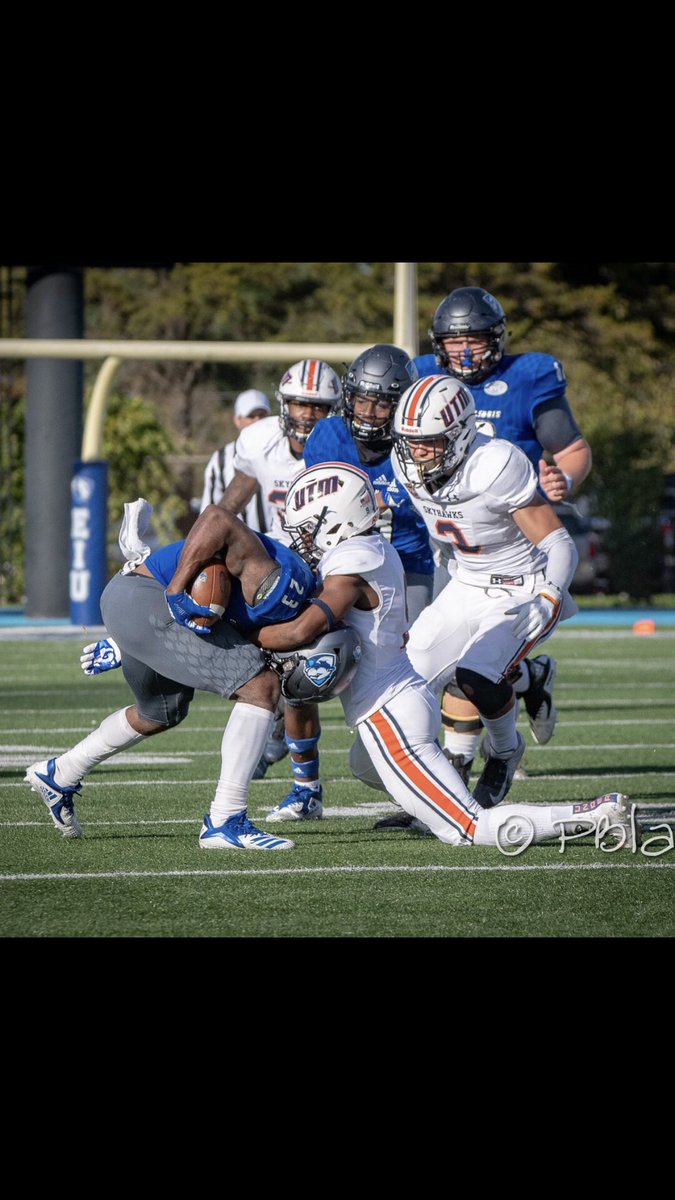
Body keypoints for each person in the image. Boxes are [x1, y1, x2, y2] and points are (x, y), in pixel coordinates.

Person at [252, 461, 631, 848]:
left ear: (337, 521)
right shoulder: (364, 547)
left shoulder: (353, 562)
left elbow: (304, 630)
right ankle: (437, 795)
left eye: (309, 527)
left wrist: (250, 632)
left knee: (472, 830)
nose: (303, 538)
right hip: (402, 696)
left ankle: (595, 815)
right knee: (362, 766)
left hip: (390, 716)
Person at [374, 286, 593, 830]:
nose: (416, 450)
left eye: (429, 441)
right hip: (465, 580)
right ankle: (437, 783)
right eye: (410, 440)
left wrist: (548, 593)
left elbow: (558, 542)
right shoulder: (405, 461)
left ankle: (503, 753)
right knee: (402, 685)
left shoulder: (496, 462)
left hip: (521, 582)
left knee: (474, 676)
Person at [24, 499, 316, 851]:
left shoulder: (298, 576)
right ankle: (226, 819)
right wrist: (174, 590)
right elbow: (216, 517)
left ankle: (60, 773)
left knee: (160, 712)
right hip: (149, 599)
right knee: (260, 686)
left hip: (136, 602)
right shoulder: (274, 566)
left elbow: (223, 620)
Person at [266, 344, 435, 821]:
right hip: (338, 567)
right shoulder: (327, 436)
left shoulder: (418, 441)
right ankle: (306, 789)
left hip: (403, 572)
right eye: (361, 399)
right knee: (302, 668)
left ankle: (431, 775)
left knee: (410, 675)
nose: (369, 411)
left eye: (383, 403)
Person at [166, 358, 342, 799]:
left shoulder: (348, 445)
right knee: (297, 681)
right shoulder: (260, 440)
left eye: (317, 406)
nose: (306, 415)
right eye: (299, 404)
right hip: (279, 574)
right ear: (283, 406)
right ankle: (306, 789)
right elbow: (227, 508)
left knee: (339, 680)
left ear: (334, 410)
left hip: (341, 566)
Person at [200, 388, 271, 529]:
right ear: (238, 420)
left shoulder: (282, 452)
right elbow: (209, 512)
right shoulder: (221, 459)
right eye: (251, 416)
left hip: (279, 544)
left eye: (262, 415)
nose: (257, 421)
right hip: (237, 546)